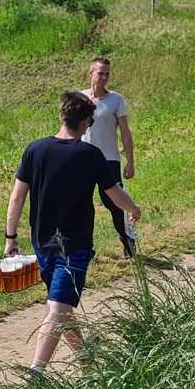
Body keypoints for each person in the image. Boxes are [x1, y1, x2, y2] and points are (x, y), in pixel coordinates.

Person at [4, 90, 141, 373]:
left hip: (42, 243)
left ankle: (88, 365)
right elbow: (115, 194)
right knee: (57, 309)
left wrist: (11, 238)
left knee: (60, 306)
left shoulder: (35, 149)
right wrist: (134, 208)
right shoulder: (89, 154)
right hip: (74, 245)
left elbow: (17, 197)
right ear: (85, 123)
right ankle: (36, 374)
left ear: (62, 117)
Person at [81, 57, 138, 258]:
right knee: (83, 205)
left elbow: (125, 132)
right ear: (91, 74)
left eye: (107, 74)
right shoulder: (80, 98)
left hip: (109, 159)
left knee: (115, 203)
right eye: (100, 73)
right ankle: (86, 249)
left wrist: (130, 162)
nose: (104, 77)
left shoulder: (116, 100)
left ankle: (128, 243)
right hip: (83, 159)